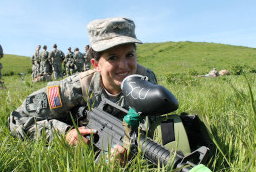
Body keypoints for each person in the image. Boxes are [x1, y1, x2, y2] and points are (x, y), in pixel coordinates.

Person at [9, 17, 157, 147]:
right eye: (112, 58)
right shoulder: (75, 87)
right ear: (96, 64)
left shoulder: (146, 81)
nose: (124, 66)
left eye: (129, 55)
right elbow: (17, 118)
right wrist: (65, 134)